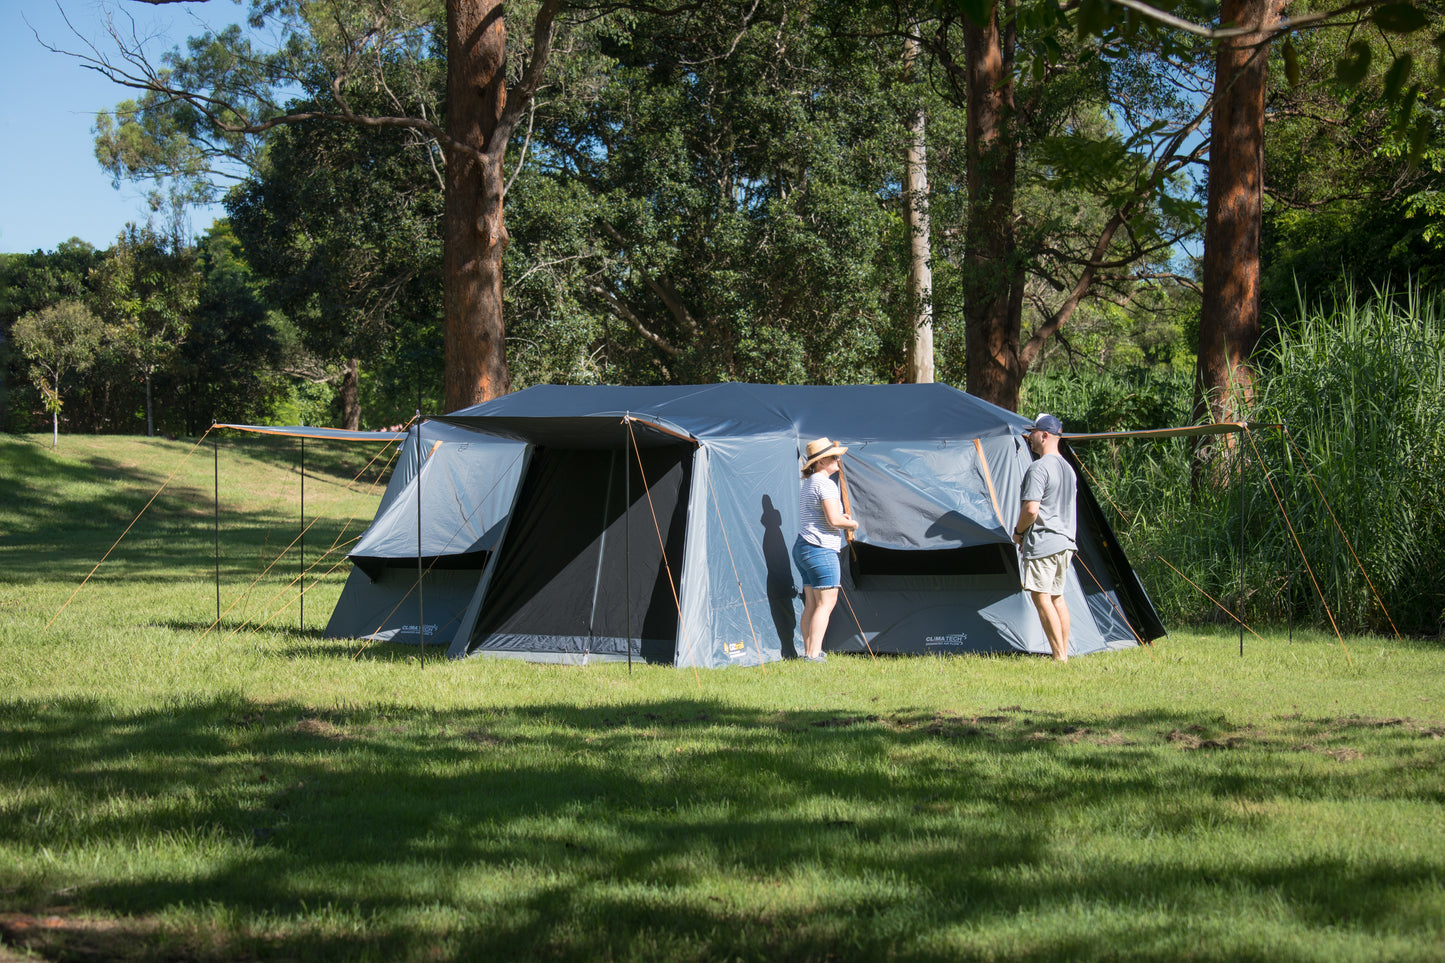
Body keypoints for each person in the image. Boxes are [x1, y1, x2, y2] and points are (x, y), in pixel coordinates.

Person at [1011, 413, 1078, 662]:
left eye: (1033, 433)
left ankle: (1059, 656)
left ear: (1045, 435)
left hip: (1044, 542)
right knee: (1057, 597)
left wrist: (1018, 533)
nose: (1029, 438)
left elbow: (1031, 509)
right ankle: (1064, 653)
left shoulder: (1039, 468)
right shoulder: (1068, 470)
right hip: (1065, 543)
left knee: (1041, 598)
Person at [792, 437, 860, 663]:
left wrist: (842, 518)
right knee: (826, 603)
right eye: (834, 457)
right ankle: (813, 656)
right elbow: (833, 520)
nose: (838, 460)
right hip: (821, 549)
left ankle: (808, 652)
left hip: (804, 547)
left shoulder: (809, 483)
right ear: (821, 462)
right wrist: (851, 524)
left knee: (811, 603)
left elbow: (823, 516)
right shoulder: (826, 484)